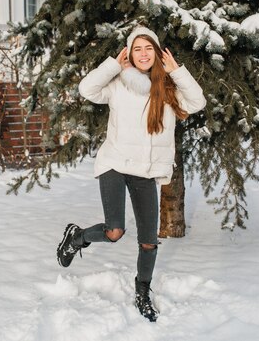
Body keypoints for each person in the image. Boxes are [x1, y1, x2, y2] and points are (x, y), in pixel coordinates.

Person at [56, 26, 206, 322]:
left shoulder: (168, 89)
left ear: (157, 52)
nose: (143, 54)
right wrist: (113, 65)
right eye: (136, 48)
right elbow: (87, 89)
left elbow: (197, 102)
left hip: (145, 171)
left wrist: (177, 72)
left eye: (148, 48)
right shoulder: (117, 83)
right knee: (115, 231)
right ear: (129, 53)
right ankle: (76, 238)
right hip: (114, 164)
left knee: (149, 240)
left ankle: (143, 289)